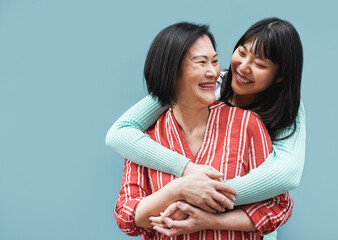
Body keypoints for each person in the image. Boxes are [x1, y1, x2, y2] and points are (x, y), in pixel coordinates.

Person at [107, 17, 305, 239]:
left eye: (260, 65)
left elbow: (284, 185)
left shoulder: (257, 121)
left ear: (279, 76)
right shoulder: (145, 140)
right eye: (241, 53)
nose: (243, 68)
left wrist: (205, 199)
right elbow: (127, 215)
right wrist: (182, 183)